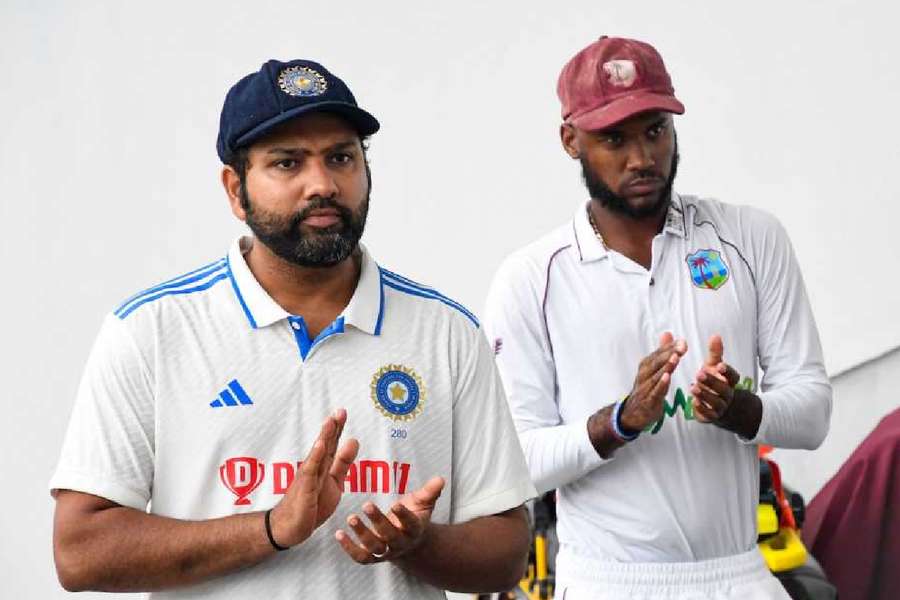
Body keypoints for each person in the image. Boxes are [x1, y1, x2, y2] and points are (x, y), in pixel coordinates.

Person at [50, 58, 535, 599]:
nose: (322, 184)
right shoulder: (152, 330)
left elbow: (507, 550)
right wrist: (271, 529)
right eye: (287, 163)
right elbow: (80, 551)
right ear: (236, 190)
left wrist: (418, 545)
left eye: (341, 158)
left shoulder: (447, 334)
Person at [483, 36, 832, 600]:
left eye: (655, 130)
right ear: (571, 140)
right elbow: (515, 463)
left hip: (738, 573)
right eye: (613, 138)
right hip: (605, 581)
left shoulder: (750, 238)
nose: (641, 158)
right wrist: (618, 422)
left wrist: (740, 408)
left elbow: (813, 412)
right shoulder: (531, 279)